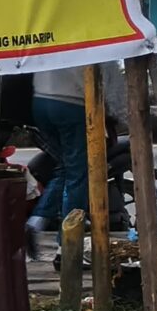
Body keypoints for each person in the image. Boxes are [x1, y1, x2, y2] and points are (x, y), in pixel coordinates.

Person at [27, 63, 93, 256]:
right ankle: (68, 245)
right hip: (71, 103)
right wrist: (122, 115)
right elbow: (110, 80)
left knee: (65, 167)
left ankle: (36, 221)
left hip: (40, 102)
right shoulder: (91, 43)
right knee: (78, 174)